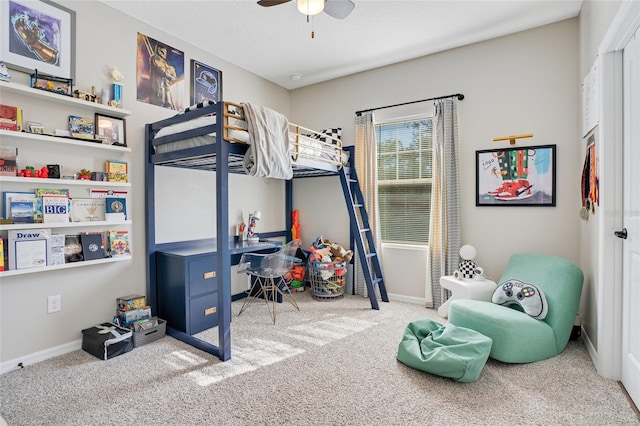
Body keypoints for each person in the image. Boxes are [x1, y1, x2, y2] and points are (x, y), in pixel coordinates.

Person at [149, 44, 177, 109]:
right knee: (159, 105)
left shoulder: (163, 61)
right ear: (159, 50)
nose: (165, 54)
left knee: (167, 105)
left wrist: (172, 74)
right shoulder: (155, 57)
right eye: (164, 52)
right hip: (158, 87)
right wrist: (171, 77)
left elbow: (169, 70)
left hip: (164, 86)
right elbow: (161, 71)